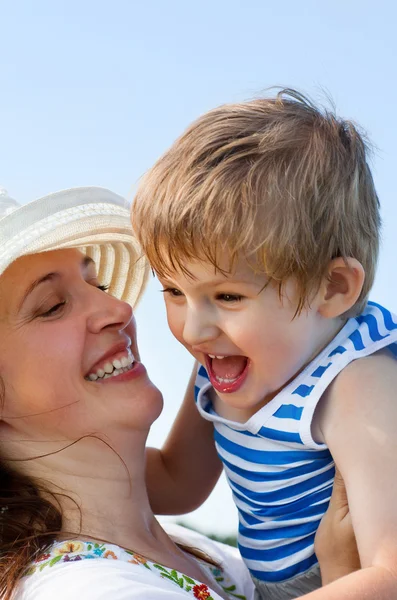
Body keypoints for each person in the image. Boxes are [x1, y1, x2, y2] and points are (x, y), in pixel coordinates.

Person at [0, 185, 360, 600]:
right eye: (52, 306)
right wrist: (347, 579)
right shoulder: (91, 590)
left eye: (98, 286)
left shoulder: (196, 555)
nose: (119, 310)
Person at [132, 89, 397, 599]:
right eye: (174, 292)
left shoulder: (357, 382)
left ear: (334, 287)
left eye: (228, 295)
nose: (194, 329)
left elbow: (388, 571)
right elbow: (177, 480)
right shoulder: (223, 360)